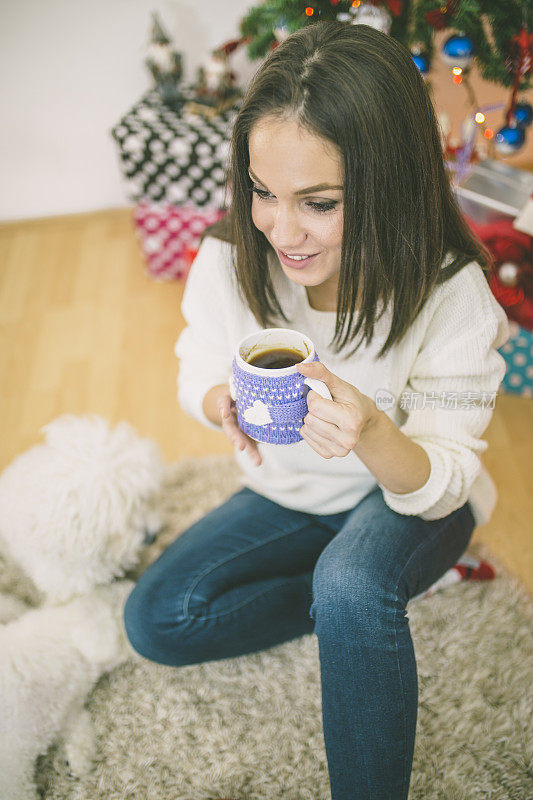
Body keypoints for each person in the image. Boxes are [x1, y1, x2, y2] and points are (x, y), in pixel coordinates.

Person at [124, 20, 509, 800]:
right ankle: (380, 594)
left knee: (348, 584)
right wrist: (217, 399)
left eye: (319, 203)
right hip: (293, 494)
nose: (281, 228)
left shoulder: (449, 296)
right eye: (262, 191)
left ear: (388, 182)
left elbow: (441, 480)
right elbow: (196, 358)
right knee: (156, 622)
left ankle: (370, 593)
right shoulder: (234, 255)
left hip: (411, 496)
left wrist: (370, 429)